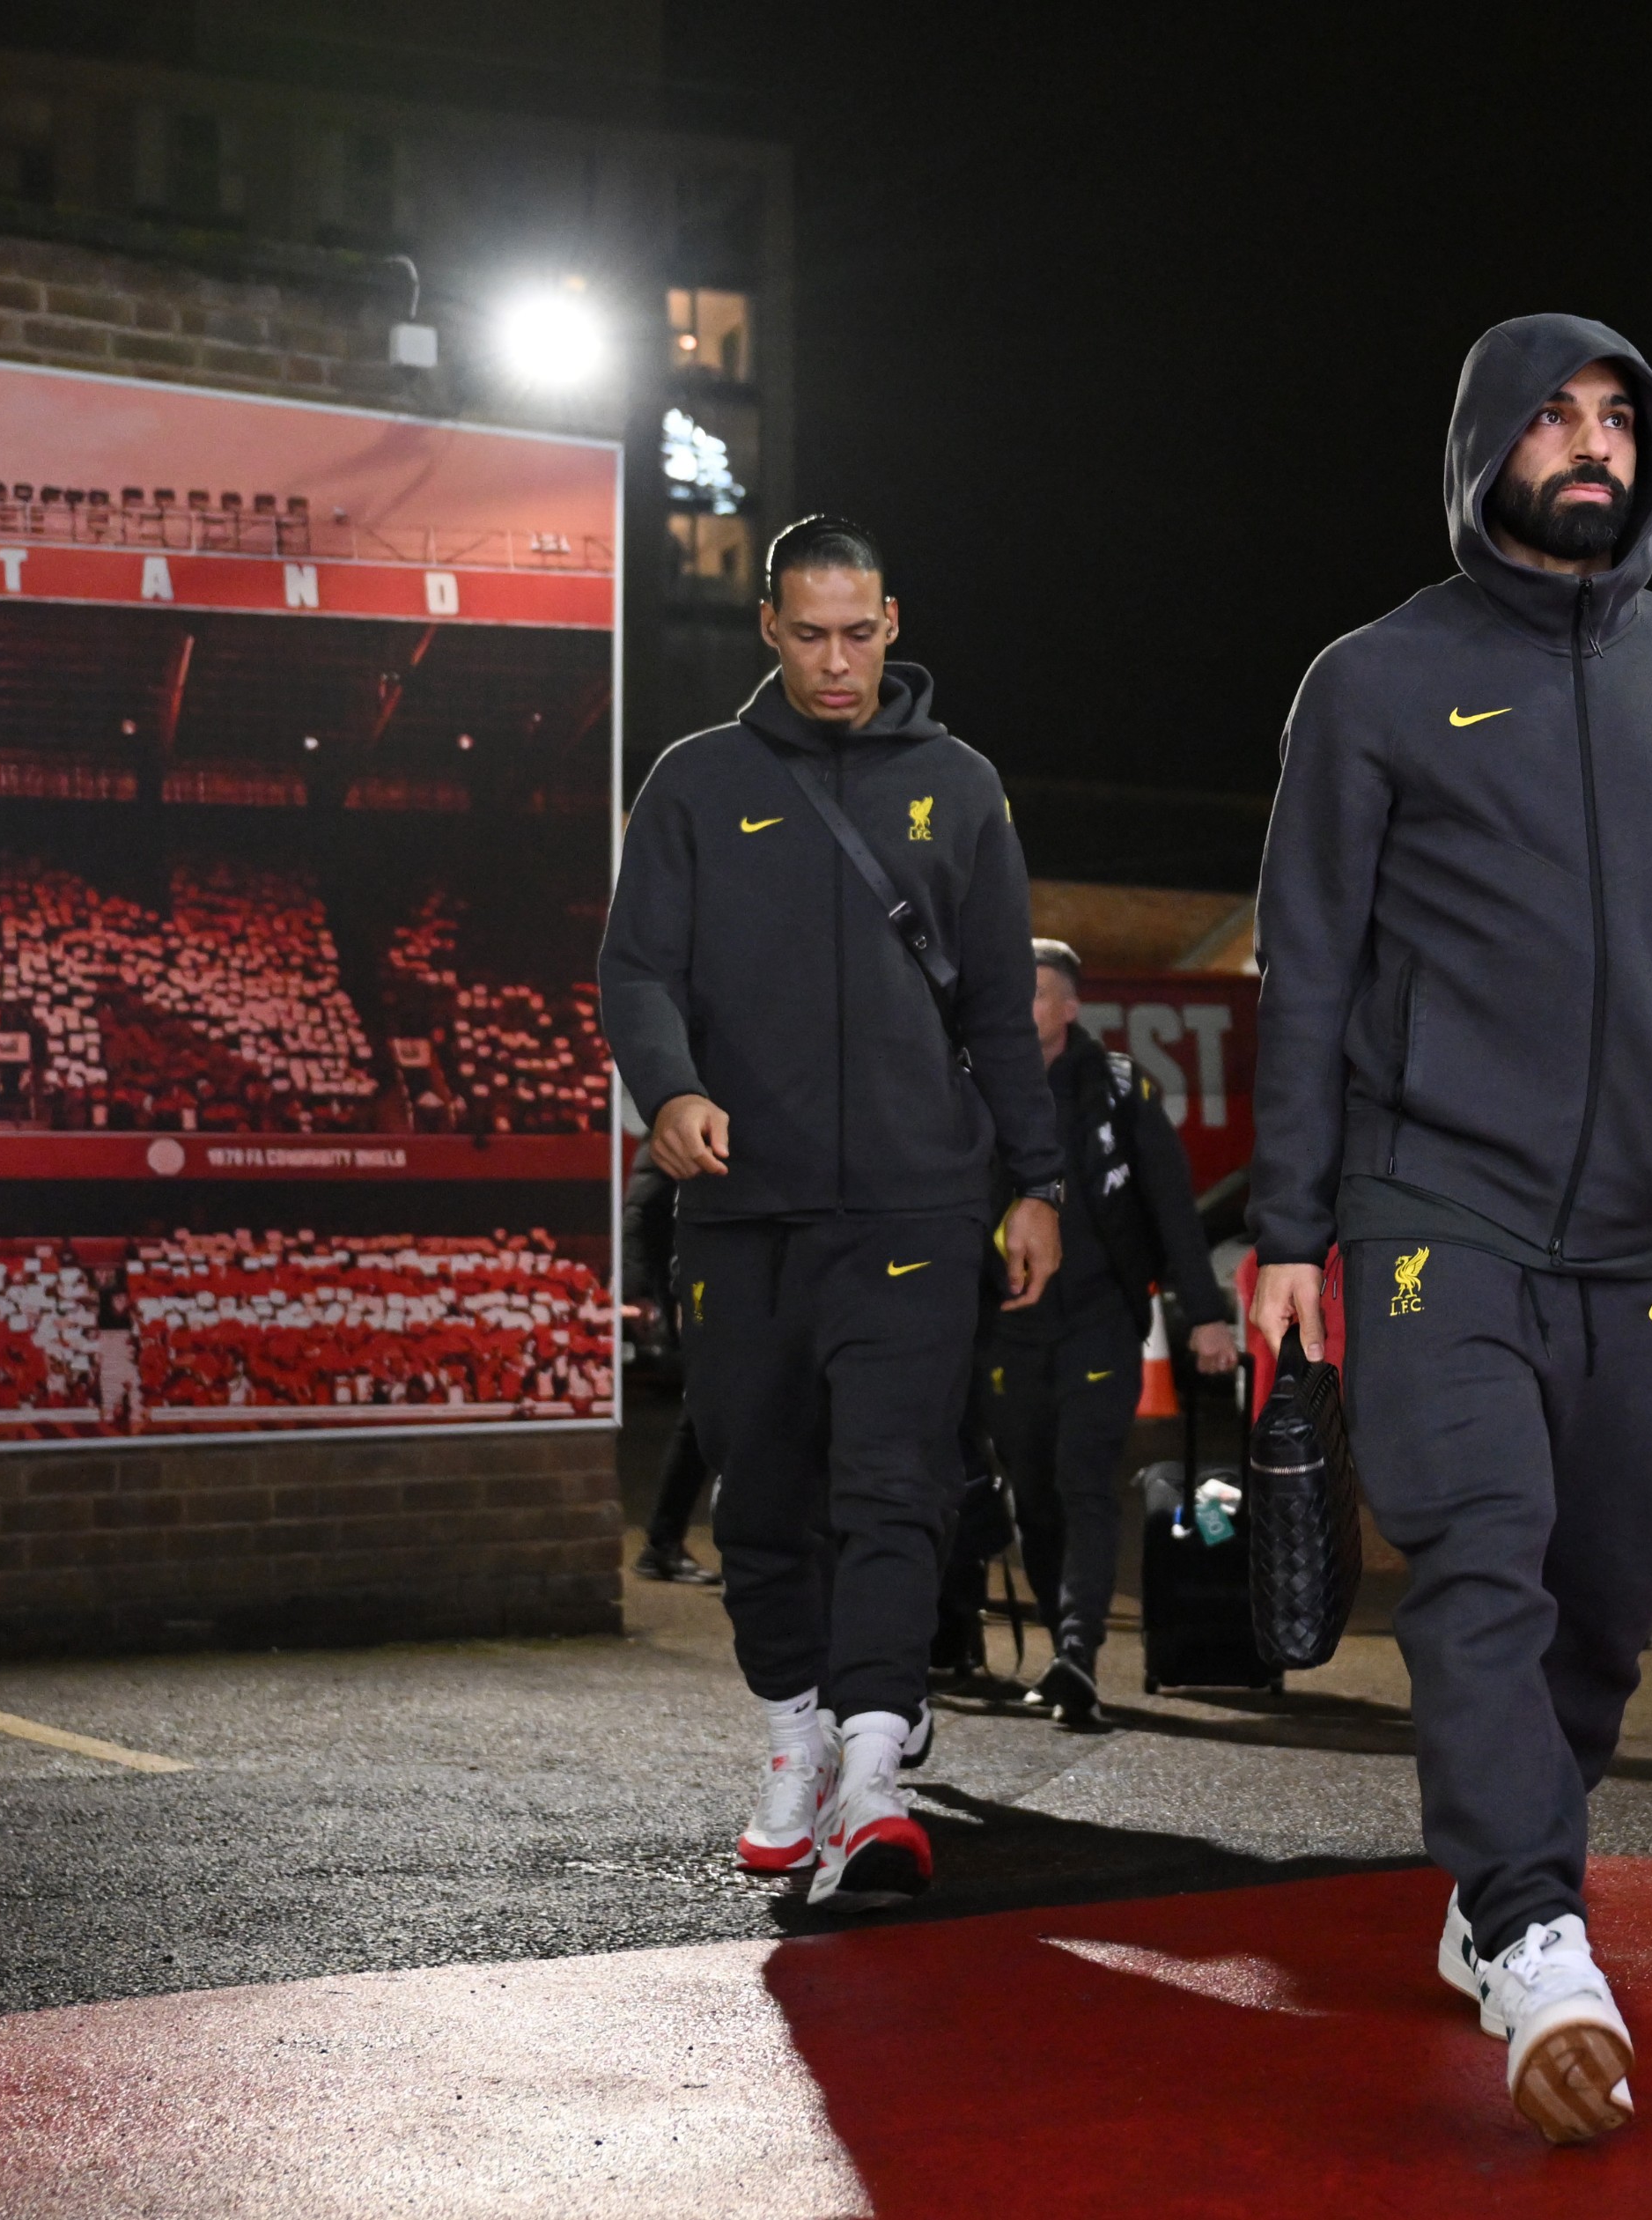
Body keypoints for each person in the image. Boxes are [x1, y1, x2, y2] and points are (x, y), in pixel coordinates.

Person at [1250, 314, 1652, 2145]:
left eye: (1617, 420)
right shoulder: (1370, 683)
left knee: (1599, 1602)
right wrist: (1286, 1229)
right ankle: (1531, 1926)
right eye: (1555, 419)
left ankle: (1495, 1886)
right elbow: (1311, 972)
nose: (1592, 447)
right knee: (1481, 1558)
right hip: (1440, 1203)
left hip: (1650, 1220)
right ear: (1483, 449)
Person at [597, 515, 1066, 1907]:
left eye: (859, 632)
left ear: (893, 619)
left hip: (920, 1205)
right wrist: (670, 1094)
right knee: (764, 1492)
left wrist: (1033, 1185)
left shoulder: (961, 785)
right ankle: (790, 1738)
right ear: (767, 626)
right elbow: (636, 974)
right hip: (745, 1207)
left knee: (892, 1485)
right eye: (809, 634)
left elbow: (996, 1008)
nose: (837, 661)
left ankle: (870, 1772)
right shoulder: (696, 781)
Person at [989, 938, 1241, 1729]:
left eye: (1033, 992)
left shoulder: (1120, 1087)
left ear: (1068, 1007)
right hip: (1008, 1328)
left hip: (1099, 1320)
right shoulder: (980, 1082)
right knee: (1032, 1491)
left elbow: (1171, 1202)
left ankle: (1077, 1652)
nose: (1018, 1004)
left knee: (1083, 1477)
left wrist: (1206, 1313)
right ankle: (1063, 1630)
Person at [621, 1149, 719, 1586]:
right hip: (696, 1290)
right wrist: (643, 1292)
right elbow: (642, 1212)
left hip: (699, 1285)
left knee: (707, 1412)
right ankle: (663, 1543)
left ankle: (664, 1543)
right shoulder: (682, 1120)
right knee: (706, 1411)